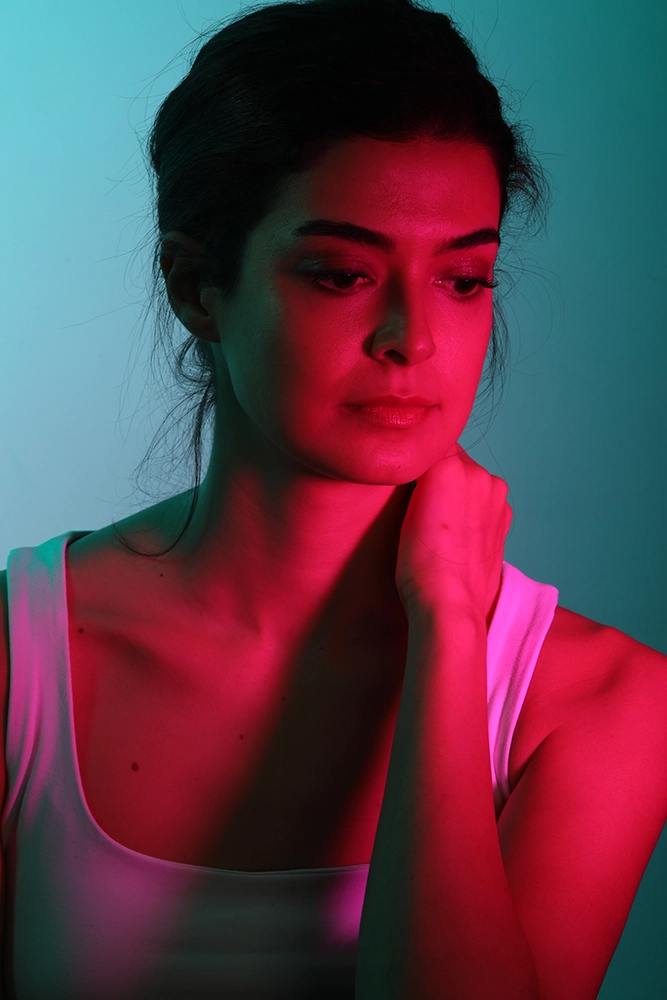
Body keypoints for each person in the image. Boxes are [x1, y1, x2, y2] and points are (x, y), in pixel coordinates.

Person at [1, 0, 665, 997]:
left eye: (463, 280)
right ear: (195, 285)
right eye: (342, 273)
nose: (412, 338)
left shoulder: (600, 700)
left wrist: (448, 625)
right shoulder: (20, 660)